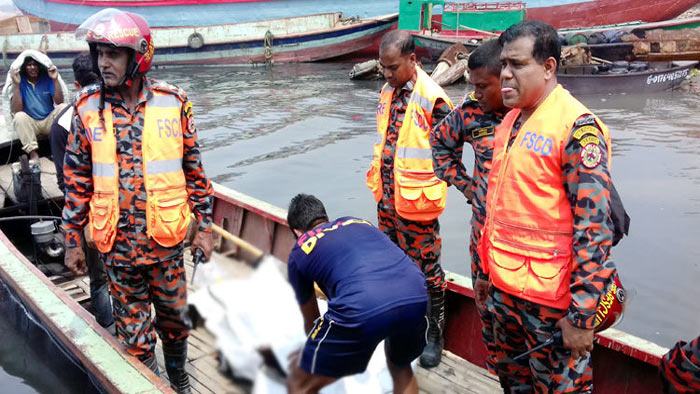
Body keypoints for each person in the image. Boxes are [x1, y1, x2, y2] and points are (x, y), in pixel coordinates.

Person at [62, 9, 214, 393]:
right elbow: (76, 181)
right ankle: (151, 384)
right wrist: (71, 242)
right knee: (134, 335)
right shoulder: (86, 109)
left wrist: (205, 229)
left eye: (113, 54)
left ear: (138, 56)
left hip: (165, 246)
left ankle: (179, 378)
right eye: (99, 53)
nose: (103, 62)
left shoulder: (173, 103)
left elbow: (196, 174)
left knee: (176, 326)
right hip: (117, 249)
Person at [480, 20, 618, 392]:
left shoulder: (576, 128)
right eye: (503, 64)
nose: (505, 74)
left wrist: (583, 315)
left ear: (548, 67)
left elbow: (595, 228)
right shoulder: (510, 121)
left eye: (517, 65)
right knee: (514, 384)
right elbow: (498, 209)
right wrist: (485, 276)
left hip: (552, 306)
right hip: (505, 290)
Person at [366, 29, 453, 368]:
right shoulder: (387, 92)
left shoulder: (434, 98)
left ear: (412, 60)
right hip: (387, 200)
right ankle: (402, 327)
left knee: (428, 271)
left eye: (392, 67)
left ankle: (435, 336)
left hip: (418, 204)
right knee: (393, 266)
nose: (386, 74)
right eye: (382, 67)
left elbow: (451, 148)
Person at [285, 194, 428, 394]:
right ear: (325, 217)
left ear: (297, 231)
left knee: (300, 382)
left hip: (363, 305)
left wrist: (317, 358)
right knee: (400, 366)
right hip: (416, 293)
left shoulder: (300, 248)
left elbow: (311, 322)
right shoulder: (359, 222)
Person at [430, 39, 506, 375]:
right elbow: (439, 142)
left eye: (482, 86)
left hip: (531, 241)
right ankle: (495, 372)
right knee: (487, 307)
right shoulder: (472, 111)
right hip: (485, 234)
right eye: (471, 86)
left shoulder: (533, 114)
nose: (475, 94)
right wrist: (467, 186)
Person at [50, 53, 114, 332]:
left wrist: (75, 228)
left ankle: (110, 329)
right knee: (114, 274)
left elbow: (67, 183)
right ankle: (115, 328)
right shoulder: (115, 109)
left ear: (75, 85)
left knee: (100, 277)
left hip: (95, 212)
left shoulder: (61, 123)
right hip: (111, 210)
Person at [9, 50, 66, 161]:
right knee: (19, 116)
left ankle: (59, 149)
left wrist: (55, 80)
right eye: (29, 65)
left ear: (39, 66)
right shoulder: (20, 81)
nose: (32, 67)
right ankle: (33, 154)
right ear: (24, 68)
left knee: (63, 108)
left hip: (48, 120)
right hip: (31, 123)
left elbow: (59, 102)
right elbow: (17, 109)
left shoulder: (47, 79)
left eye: (35, 64)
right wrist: (16, 85)